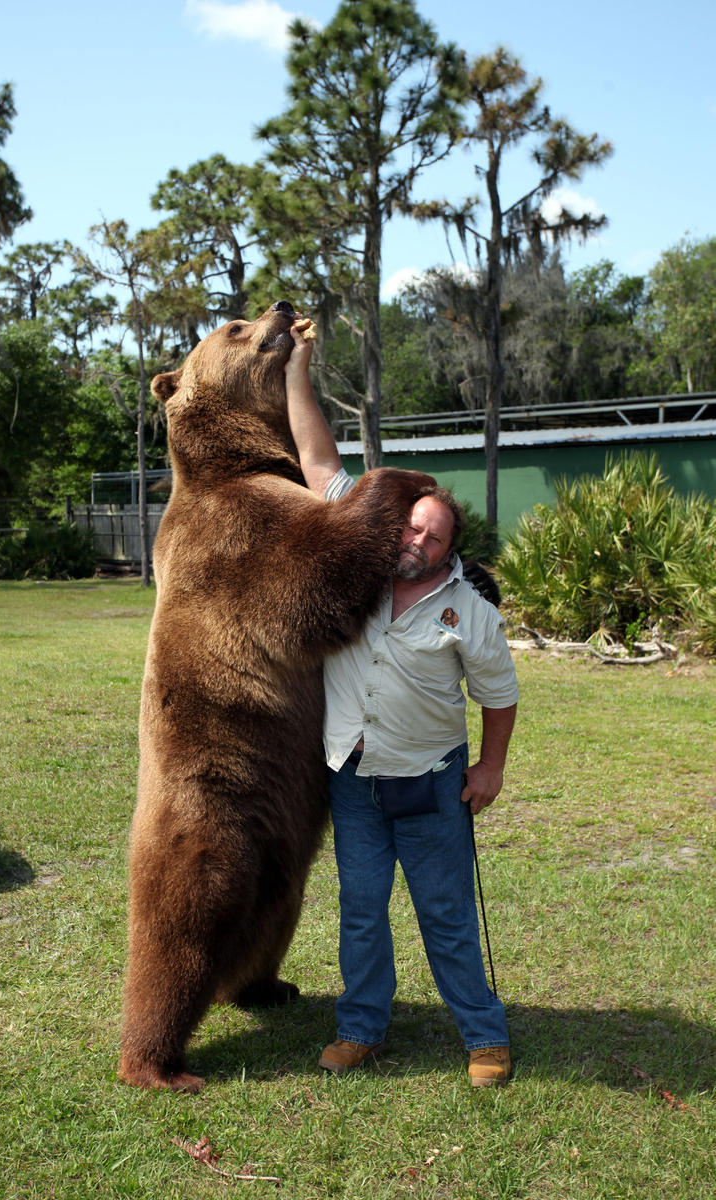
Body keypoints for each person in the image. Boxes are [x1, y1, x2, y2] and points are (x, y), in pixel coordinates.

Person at [284, 322, 519, 1088]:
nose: (413, 539)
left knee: (446, 917)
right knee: (360, 914)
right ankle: (361, 1028)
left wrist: (489, 768)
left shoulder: (469, 613)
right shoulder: (360, 552)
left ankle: (483, 1036)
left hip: (429, 782)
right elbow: (318, 459)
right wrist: (299, 365)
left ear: (448, 551)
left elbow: (499, 695)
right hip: (352, 778)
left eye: (430, 533)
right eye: (409, 524)